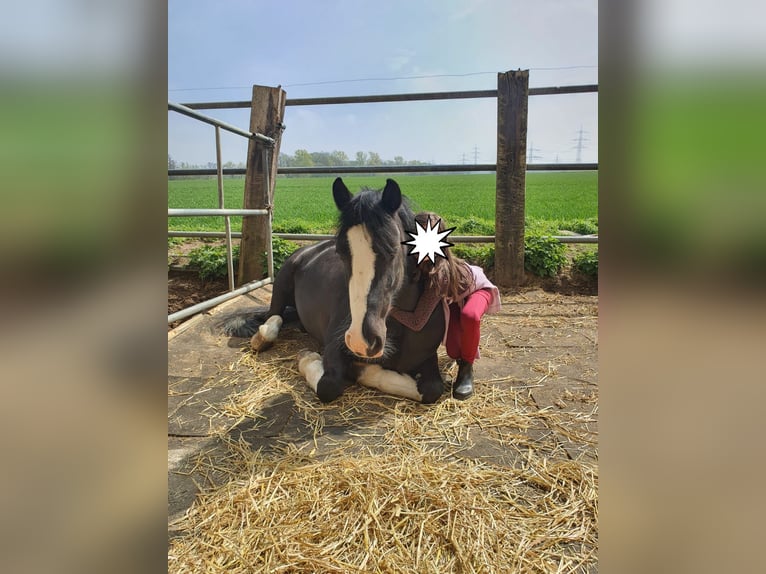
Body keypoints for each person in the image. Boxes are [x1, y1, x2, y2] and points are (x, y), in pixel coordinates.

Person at [389, 212, 501, 399]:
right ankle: (462, 357)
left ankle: (466, 371)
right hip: (454, 298)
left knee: (470, 316)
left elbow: (417, 321)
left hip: (476, 289)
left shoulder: (439, 274)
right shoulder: (415, 259)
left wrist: (391, 310)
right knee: (453, 349)